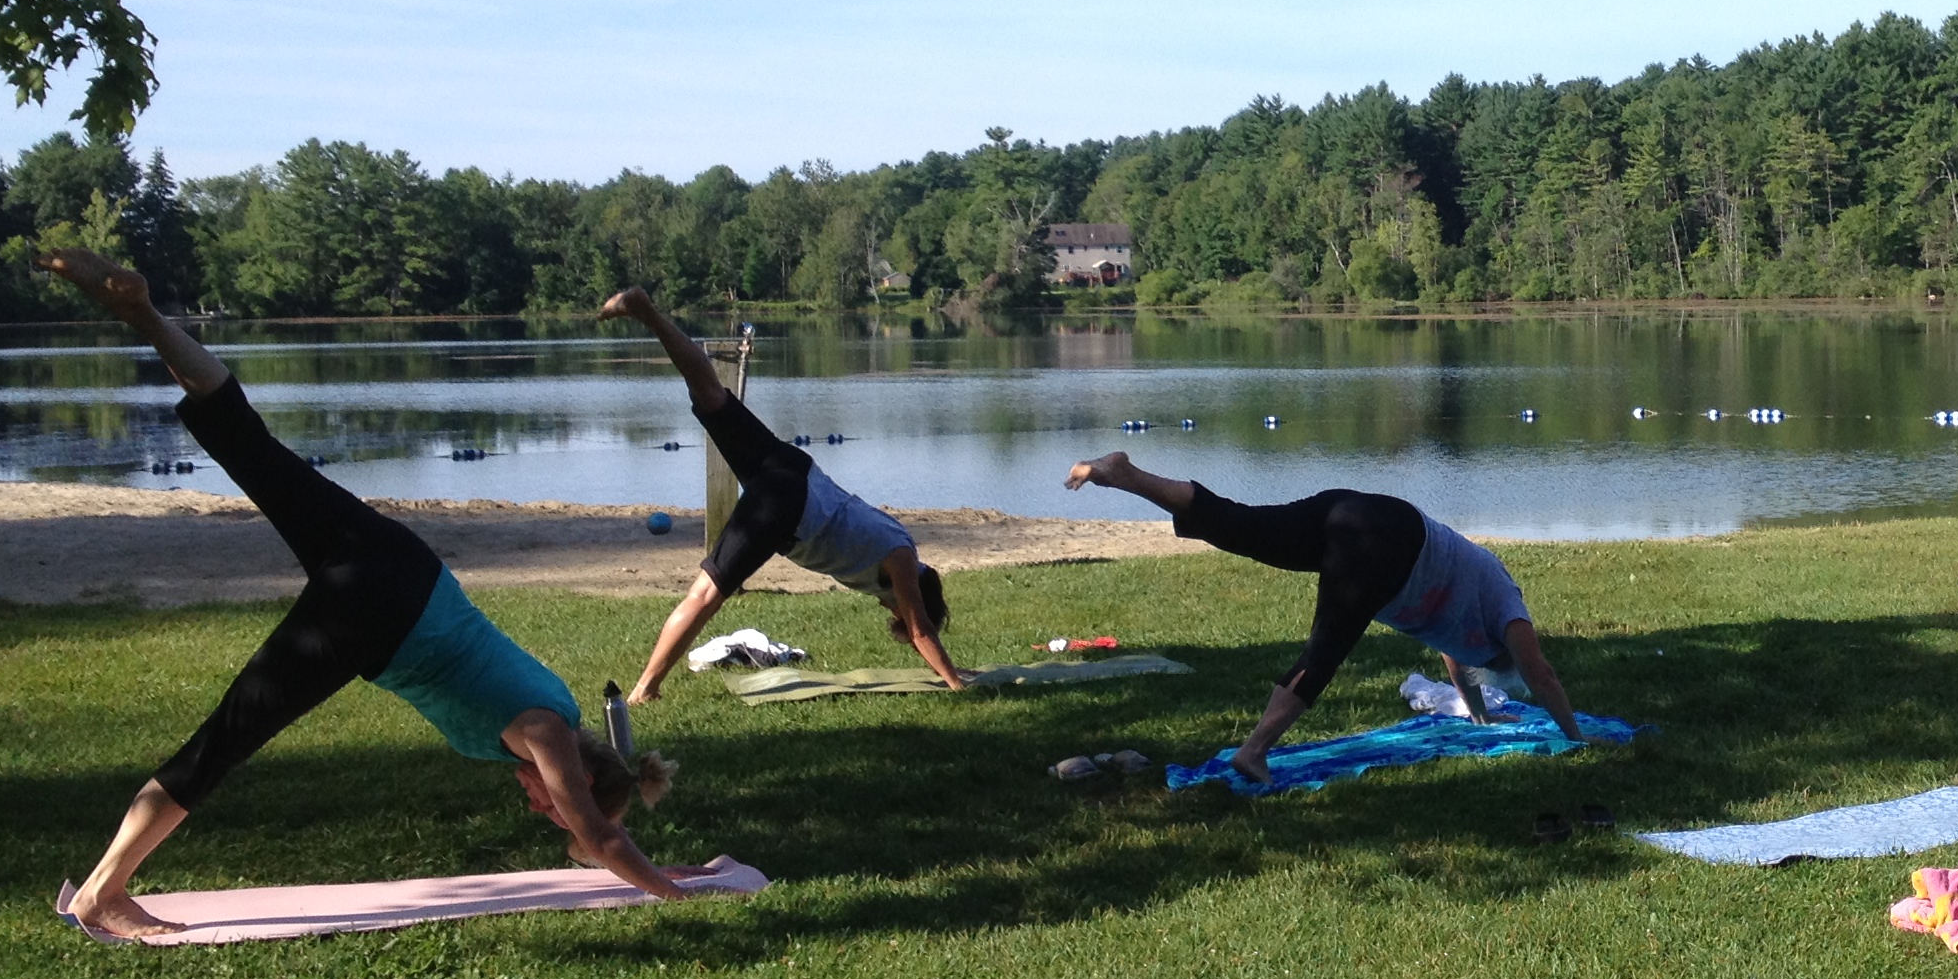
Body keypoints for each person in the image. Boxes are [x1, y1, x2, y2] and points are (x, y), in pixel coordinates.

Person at [41, 249, 697, 941]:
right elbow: (595, 837)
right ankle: (101, 894)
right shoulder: (548, 735)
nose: (542, 810)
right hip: (382, 614)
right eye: (556, 808)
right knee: (224, 740)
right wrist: (676, 895)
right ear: (582, 783)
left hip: (400, 560)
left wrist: (633, 846)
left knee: (250, 445)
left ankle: (143, 313)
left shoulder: (553, 717)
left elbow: (585, 842)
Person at [1063, 452, 1578, 787]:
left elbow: (1455, 661)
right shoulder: (1510, 613)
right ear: (1501, 654)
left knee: (1241, 524)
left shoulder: (1469, 627)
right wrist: (1575, 736)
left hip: (1354, 511)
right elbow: (1541, 672)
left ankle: (1126, 475)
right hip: (1385, 540)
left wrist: (1482, 717)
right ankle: (1254, 751)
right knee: (1326, 648)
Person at [601, 289, 962, 703]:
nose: (892, 614)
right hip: (787, 505)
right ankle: (645, 689)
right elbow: (921, 630)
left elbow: (916, 627)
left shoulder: (898, 555)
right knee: (704, 595)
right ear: (916, 596)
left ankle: (646, 311)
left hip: (792, 469)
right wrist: (954, 681)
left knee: (711, 395)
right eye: (898, 611)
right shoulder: (902, 560)